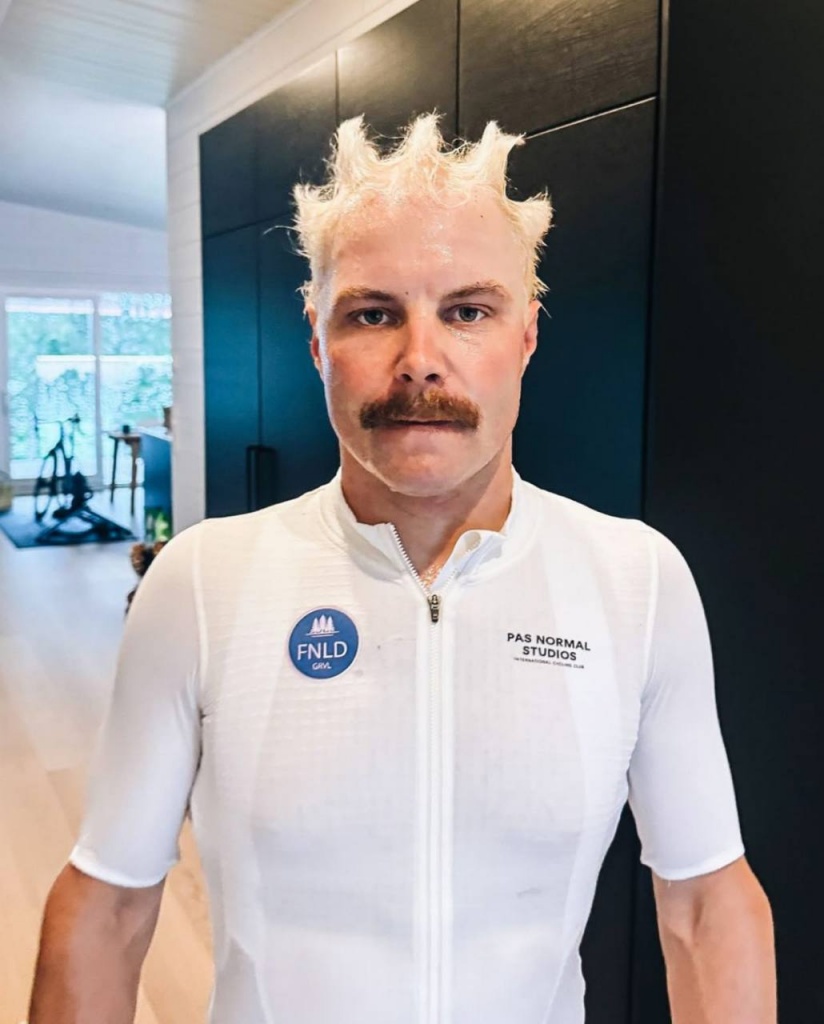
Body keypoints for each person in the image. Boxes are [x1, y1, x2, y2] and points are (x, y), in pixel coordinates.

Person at [28, 114, 776, 1023]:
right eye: (373, 314)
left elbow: (705, 902)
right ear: (317, 341)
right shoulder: (200, 583)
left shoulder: (638, 581)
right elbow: (107, 905)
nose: (420, 361)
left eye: (468, 311)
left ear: (527, 337)